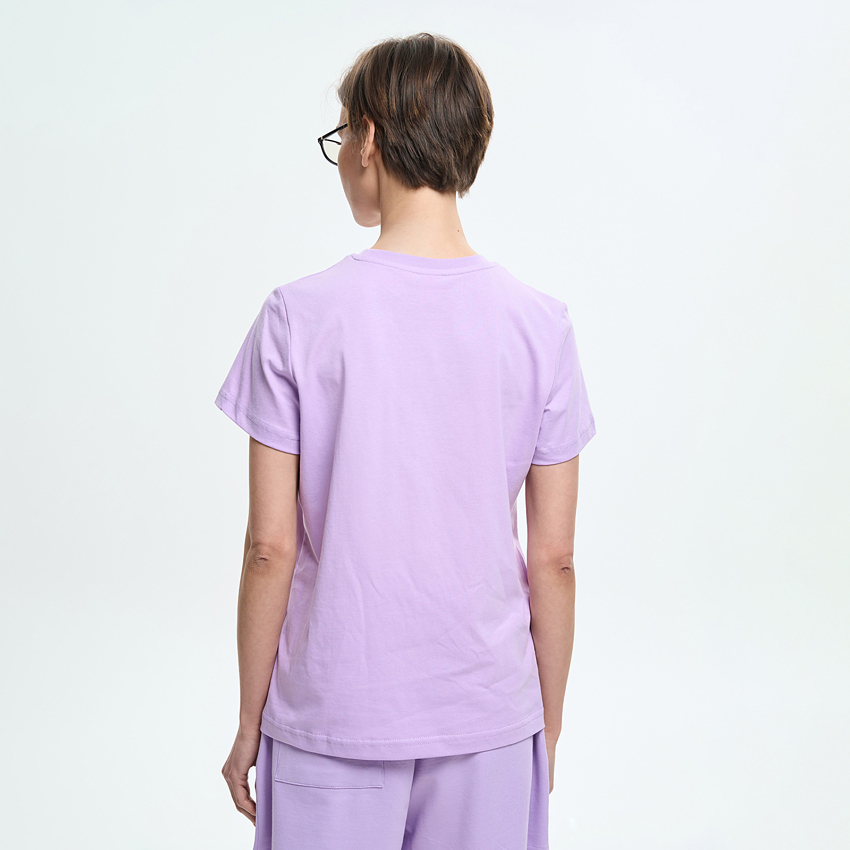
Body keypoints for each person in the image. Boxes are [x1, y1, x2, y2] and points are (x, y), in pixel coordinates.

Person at [216, 31, 596, 850]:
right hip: (489, 716)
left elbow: (270, 548)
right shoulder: (541, 327)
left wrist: (250, 721)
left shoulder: (297, 317)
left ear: (369, 139)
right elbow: (554, 559)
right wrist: (546, 724)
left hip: (332, 715)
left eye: (342, 135)